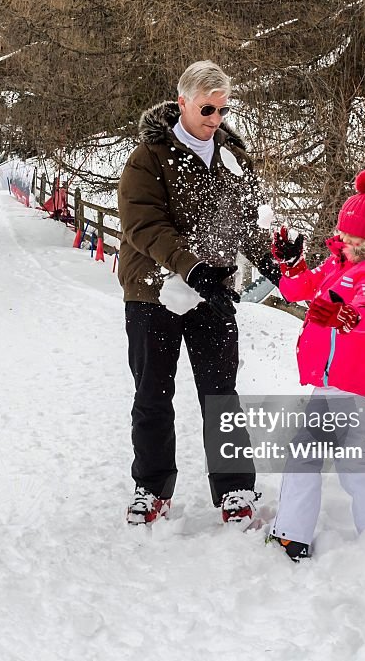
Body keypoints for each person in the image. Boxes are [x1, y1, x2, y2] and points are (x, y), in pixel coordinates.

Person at [117, 60, 283, 526]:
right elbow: (143, 224)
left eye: (223, 109)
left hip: (212, 294)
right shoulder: (149, 156)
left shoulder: (233, 156)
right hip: (154, 293)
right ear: (183, 101)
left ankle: (234, 489)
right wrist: (191, 268)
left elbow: (247, 223)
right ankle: (151, 489)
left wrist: (268, 258)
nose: (215, 119)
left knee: (220, 394)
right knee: (153, 393)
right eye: (207, 108)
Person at [265, 168, 365, 561]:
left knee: (304, 454)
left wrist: (348, 316)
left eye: (352, 236)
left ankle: (291, 535)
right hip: (334, 384)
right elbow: (295, 289)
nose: (344, 239)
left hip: (348, 386)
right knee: (354, 462)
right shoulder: (338, 264)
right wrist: (292, 264)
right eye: (342, 232)